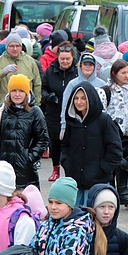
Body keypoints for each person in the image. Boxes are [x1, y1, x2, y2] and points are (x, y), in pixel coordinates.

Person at [0, 73, 51, 189]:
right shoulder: (0, 111)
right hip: (2, 169)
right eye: (14, 91)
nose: (17, 94)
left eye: (21, 91)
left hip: (26, 171)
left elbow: (42, 139)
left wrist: (30, 158)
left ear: (26, 92)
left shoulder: (35, 112)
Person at [61, 84, 123, 203]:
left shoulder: (104, 120)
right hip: (75, 184)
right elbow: (65, 146)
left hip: (97, 184)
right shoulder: (72, 121)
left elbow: (115, 150)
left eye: (83, 98)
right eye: (76, 98)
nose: (79, 102)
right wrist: (68, 166)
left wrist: (101, 169)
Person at [42, 42, 77, 181]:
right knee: (55, 142)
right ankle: (55, 169)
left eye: (68, 59)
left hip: (72, 112)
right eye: (62, 59)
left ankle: (71, 169)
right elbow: (43, 88)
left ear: (72, 58)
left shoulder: (76, 71)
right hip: (54, 112)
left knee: (72, 142)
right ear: (57, 58)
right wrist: (48, 97)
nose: (65, 61)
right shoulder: (51, 70)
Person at [0, 31, 42, 108]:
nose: (15, 49)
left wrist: (36, 104)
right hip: (5, 107)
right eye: (11, 46)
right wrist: (2, 72)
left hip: (25, 108)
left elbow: (37, 84)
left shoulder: (30, 61)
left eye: (17, 46)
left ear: (21, 47)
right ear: (6, 47)